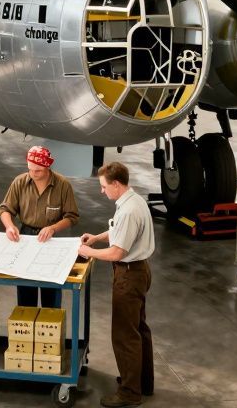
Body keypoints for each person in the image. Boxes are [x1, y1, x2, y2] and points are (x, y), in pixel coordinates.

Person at [79, 162, 155, 408]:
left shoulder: (128, 210)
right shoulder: (133, 201)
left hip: (129, 274)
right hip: (139, 270)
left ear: (116, 184)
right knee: (138, 329)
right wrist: (98, 237)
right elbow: (119, 231)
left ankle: (130, 392)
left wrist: (88, 251)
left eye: (103, 186)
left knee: (124, 334)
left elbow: (116, 253)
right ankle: (143, 382)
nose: (102, 191)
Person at [0, 145, 80, 308]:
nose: (33, 174)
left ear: (48, 167)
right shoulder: (20, 182)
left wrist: (53, 228)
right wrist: (9, 226)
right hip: (26, 236)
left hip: (51, 240)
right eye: (30, 170)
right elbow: (5, 209)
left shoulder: (62, 185)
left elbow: (72, 217)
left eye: (38, 171)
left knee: (51, 289)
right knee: (25, 290)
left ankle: (50, 328)